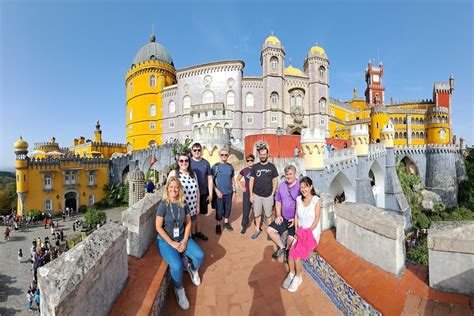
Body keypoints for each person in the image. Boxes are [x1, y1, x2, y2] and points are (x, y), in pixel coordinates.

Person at [156, 177, 204, 310]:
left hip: (182, 238)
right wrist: (171, 242)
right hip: (166, 241)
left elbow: (188, 222)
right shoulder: (163, 204)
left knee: (199, 255)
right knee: (176, 266)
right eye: (171, 187)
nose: (173, 189)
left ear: (179, 189)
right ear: (167, 189)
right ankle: (179, 290)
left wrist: (184, 240)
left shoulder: (183, 203)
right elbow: (158, 227)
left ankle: (192, 269)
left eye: (176, 187)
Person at [284, 176, 321, 293]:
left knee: (296, 254)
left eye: (306, 186)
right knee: (290, 253)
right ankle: (291, 273)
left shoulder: (316, 200)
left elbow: (316, 220)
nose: (303, 189)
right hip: (299, 231)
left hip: (311, 233)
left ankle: (298, 277)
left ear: (311, 187)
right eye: (301, 187)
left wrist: (306, 233)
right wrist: (296, 231)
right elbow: (296, 216)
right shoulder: (299, 199)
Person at [267, 165, 300, 261]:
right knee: (270, 230)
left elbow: (303, 204)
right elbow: (278, 201)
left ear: (295, 174)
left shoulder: (300, 187)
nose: (289, 176)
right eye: (287, 174)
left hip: (295, 219)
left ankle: (288, 250)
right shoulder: (282, 186)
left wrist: (295, 219)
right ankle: (282, 247)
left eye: (290, 174)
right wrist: (278, 215)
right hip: (284, 217)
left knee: (290, 239)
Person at [249, 146, 278, 240]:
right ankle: (257, 230)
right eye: (261, 154)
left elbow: (275, 180)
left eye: (264, 154)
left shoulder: (272, 167)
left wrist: (273, 192)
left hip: (268, 195)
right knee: (257, 214)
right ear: (259, 155)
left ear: (267, 155)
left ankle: (269, 232)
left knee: (269, 215)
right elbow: (251, 181)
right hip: (257, 195)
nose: (262, 156)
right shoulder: (255, 167)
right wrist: (251, 195)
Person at [168, 153, 200, 237]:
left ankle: (189, 241)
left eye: (186, 160)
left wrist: (197, 205)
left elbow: (197, 191)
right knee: (181, 228)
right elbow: (168, 190)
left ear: (189, 162)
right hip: (180, 207)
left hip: (192, 206)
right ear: (178, 162)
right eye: (181, 161)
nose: (184, 162)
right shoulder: (174, 173)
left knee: (190, 226)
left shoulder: (193, 174)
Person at [189, 142, 213, 241]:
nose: (197, 152)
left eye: (199, 150)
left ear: (201, 151)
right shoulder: (188, 162)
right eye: (195, 150)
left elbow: (210, 179)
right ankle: (191, 233)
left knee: (199, 214)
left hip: (203, 193)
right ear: (192, 151)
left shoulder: (206, 163)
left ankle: (198, 232)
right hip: (190, 193)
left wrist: (210, 194)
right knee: (189, 214)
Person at [212, 148, 236, 234]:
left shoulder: (230, 167)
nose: (224, 156)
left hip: (229, 192)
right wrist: (216, 191)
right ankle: (218, 224)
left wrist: (235, 191)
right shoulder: (215, 167)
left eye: (226, 155)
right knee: (219, 210)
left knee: (228, 209)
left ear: (228, 156)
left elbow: (232, 179)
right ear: (220, 155)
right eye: (222, 155)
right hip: (219, 194)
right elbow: (211, 181)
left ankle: (226, 222)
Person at [236, 154, 255, 234]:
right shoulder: (244, 170)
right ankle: (244, 226)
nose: (250, 162)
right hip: (247, 193)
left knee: (257, 210)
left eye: (251, 160)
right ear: (246, 161)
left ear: (253, 161)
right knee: (246, 210)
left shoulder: (257, 169)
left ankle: (258, 225)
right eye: (248, 160)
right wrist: (241, 188)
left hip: (256, 193)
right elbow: (238, 179)